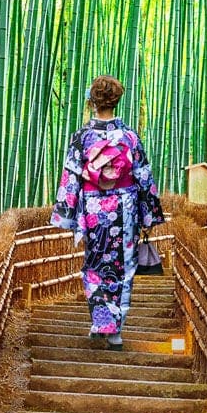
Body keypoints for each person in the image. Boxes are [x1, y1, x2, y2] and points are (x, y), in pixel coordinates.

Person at [49, 76, 165, 348]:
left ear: (92, 102)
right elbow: (143, 177)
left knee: (95, 263)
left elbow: (72, 177)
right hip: (124, 208)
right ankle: (115, 330)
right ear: (116, 101)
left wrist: (67, 213)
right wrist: (148, 214)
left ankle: (100, 321)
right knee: (123, 266)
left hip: (93, 208)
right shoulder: (129, 137)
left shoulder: (82, 136)